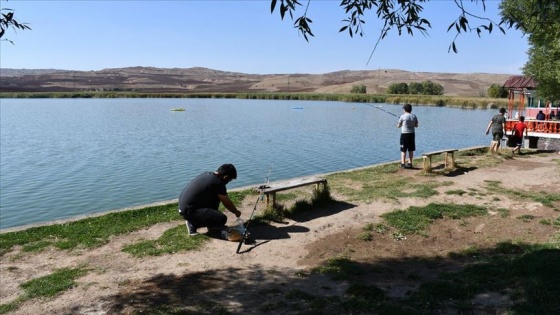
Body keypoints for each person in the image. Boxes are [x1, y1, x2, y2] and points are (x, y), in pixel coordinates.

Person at [178, 164, 242, 236]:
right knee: (221, 219)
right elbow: (227, 202)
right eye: (230, 180)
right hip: (189, 211)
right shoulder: (218, 183)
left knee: (216, 197)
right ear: (225, 177)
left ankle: (211, 224)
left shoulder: (207, 174)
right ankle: (193, 224)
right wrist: (236, 212)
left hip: (185, 207)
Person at [397, 103, 419, 169]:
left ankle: (403, 164)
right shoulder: (414, 116)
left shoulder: (402, 116)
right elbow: (416, 125)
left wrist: (401, 124)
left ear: (405, 109)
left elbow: (398, 126)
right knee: (411, 150)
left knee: (403, 150)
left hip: (404, 135)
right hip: (412, 134)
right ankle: (410, 163)